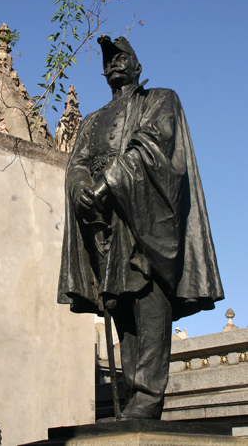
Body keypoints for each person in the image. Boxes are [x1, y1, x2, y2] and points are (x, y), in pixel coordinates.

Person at [58, 35, 224, 419]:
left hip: (145, 220)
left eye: (122, 58)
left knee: (149, 300)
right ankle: (134, 394)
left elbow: (151, 145)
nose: (114, 64)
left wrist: (107, 184)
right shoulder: (92, 120)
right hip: (105, 226)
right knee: (121, 305)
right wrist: (81, 185)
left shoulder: (161, 98)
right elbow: (78, 161)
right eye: (108, 61)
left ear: (137, 66)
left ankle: (148, 396)